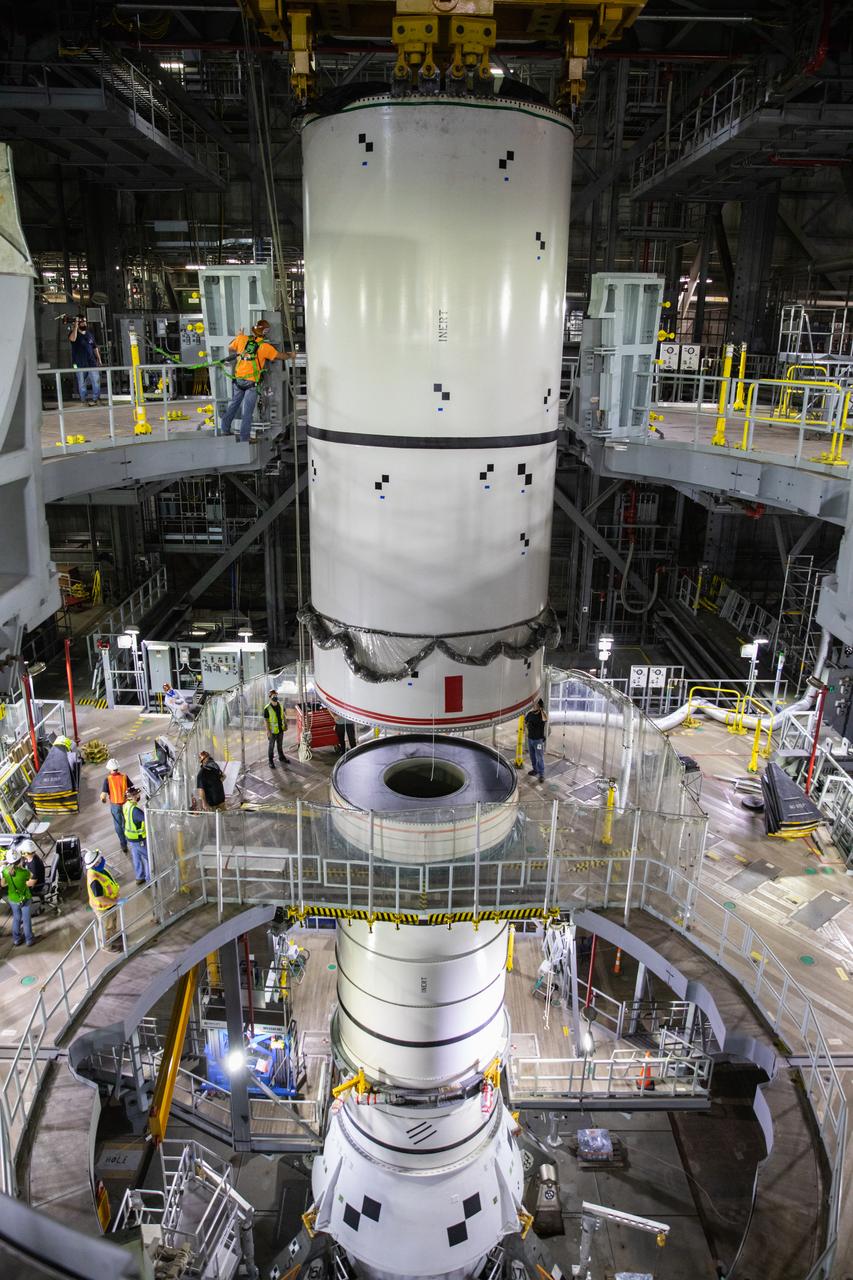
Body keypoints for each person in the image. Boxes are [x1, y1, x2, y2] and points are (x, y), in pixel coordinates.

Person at [218, 320, 292, 443]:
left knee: (234, 404)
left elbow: (230, 347)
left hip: (238, 380)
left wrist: (239, 336)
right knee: (247, 412)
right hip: (251, 383)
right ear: (265, 332)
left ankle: (225, 429)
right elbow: (280, 356)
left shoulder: (242, 339)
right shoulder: (265, 347)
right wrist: (291, 355)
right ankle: (244, 438)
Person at [84, 847, 122, 950]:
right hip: (103, 907)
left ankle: (113, 936)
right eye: (99, 860)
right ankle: (106, 945)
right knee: (106, 927)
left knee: (113, 921)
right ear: (95, 864)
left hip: (110, 904)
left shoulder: (100, 870)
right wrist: (115, 901)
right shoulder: (94, 880)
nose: (102, 860)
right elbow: (100, 898)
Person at [1, 847, 37, 946]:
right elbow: (31, 876)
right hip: (25, 898)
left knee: (17, 918)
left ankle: (16, 939)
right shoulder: (23, 872)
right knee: (26, 919)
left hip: (13, 899)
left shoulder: (5, 871)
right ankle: (29, 940)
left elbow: (3, 884)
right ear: (19, 860)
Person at [66, 314, 102, 405]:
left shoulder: (90, 334)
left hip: (91, 362)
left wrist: (99, 359)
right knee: (82, 383)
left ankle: (96, 399)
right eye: (82, 322)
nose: (84, 323)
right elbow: (72, 339)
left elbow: (95, 347)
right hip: (79, 363)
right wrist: (76, 327)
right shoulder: (73, 333)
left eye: (85, 321)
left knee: (96, 381)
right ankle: (83, 399)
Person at [100, 758, 131, 855]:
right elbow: (132, 789)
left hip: (115, 805)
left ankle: (123, 844)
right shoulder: (125, 777)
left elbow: (103, 795)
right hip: (126, 804)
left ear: (109, 769)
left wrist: (103, 799)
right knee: (128, 822)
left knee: (118, 825)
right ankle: (130, 839)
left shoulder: (107, 779)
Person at [122, 787, 150, 884]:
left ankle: (139, 877)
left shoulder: (126, 805)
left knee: (136, 857)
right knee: (148, 858)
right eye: (137, 795)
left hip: (130, 837)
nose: (139, 796)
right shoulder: (136, 811)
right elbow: (148, 819)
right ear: (132, 797)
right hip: (139, 839)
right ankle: (149, 879)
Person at [524, 696, 548, 784]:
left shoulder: (542, 715)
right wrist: (527, 729)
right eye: (534, 705)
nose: (534, 706)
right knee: (532, 756)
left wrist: (541, 710)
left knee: (540, 757)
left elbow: (546, 719)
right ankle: (535, 770)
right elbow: (525, 722)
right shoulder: (530, 714)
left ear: (540, 706)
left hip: (538, 741)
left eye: (536, 705)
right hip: (530, 739)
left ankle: (541, 774)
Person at [262, 689, 288, 769]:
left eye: (276, 695)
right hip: (272, 732)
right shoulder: (267, 708)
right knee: (271, 747)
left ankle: (281, 757)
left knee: (280, 745)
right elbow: (266, 721)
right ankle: (270, 761)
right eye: (274, 696)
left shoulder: (280, 705)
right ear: (270, 697)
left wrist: (286, 724)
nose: (275, 697)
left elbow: (283, 715)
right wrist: (268, 731)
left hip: (280, 729)